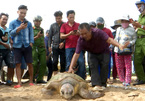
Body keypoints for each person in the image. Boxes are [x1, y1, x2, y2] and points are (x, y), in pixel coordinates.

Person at [68, 23, 129, 90]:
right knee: (93, 66)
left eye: (85, 33)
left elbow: (109, 40)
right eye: (82, 34)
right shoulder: (81, 40)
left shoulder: (98, 32)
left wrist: (119, 45)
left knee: (104, 66)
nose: (84, 35)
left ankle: (103, 84)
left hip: (104, 51)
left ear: (90, 30)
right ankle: (96, 84)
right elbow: (76, 54)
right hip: (92, 53)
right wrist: (71, 67)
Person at [9, 5, 34, 88]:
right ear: (18, 12)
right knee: (18, 64)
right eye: (21, 12)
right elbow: (10, 33)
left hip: (27, 45)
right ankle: (19, 82)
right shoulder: (12, 23)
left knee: (30, 63)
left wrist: (31, 43)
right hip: (16, 46)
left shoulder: (29, 23)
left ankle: (31, 80)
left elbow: (31, 34)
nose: (23, 15)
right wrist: (19, 28)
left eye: (24, 13)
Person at [60, 10, 86, 79]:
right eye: (70, 17)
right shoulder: (64, 25)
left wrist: (79, 33)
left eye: (73, 17)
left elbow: (84, 34)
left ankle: (80, 78)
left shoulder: (78, 25)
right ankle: (68, 78)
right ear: (67, 17)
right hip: (68, 47)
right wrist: (70, 34)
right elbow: (61, 36)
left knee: (81, 62)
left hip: (78, 46)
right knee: (69, 63)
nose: (72, 19)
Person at [114, 15, 136, 86]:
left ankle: (128, 81)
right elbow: (116, 39)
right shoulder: (118, 29)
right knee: (119, 66)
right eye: (123, 21)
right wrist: (116, 45)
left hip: (128, 50)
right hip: (118, 49)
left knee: (128, 65)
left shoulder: (132, 29)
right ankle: (122, 80)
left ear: (128, 22)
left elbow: (134, 39)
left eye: (126, 21)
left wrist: (130, 43)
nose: (124, 22)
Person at [96, 17, 114, 84]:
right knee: (98, 64)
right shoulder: (94, 30)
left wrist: (111, 46)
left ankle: (108, 77)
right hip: (97, 50)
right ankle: (99, 78)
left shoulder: (108, 31)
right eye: (98, 23)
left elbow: (112, 39)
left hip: (106, 50)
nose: (99, 25)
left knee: (107, 64)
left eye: (100, 23)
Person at [132, 0, 145, 85]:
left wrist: (139, 25)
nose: (138, 8)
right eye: (137, 6)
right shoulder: (139, 16)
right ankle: (142, 79)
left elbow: (142, 27)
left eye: (140, 5)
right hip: (138, 40)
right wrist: (134, 25)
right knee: (136, 60)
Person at [48, 11, 65, 75]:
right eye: (56, 18)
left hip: (63, 46)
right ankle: (55, 75)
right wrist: (49, 46)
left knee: (63, 62)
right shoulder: (52, 26)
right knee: (54, 61)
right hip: (55, 46)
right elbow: (50, 37)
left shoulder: (65, 25)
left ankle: (62, 75)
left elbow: (67, 36)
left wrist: (63, 43)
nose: (58, 20)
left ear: (61, 17)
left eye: (59, 18)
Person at [0, 13, 14, 85]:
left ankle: (8, 80)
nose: (5, 21)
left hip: (7, 50)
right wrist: (4, 44)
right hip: (0, 49)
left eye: (6, 19)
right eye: (3, 19)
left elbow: (9, 38)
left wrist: (11, 42)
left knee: (11, 64)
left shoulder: (8, 29)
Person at [32, 15, 47, 83]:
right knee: (34, 63)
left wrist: (45, 47)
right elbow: (30, 39)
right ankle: (32, 78)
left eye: (39, 21)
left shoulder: (42, 29)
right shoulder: (31, 29)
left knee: (43, 63)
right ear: (34, 22)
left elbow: (43, 39)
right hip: (34, 48)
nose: (38, 23)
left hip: (42, 48)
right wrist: (37, 36)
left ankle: (40, 79)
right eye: (36, 21)